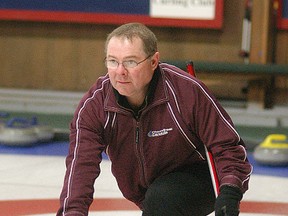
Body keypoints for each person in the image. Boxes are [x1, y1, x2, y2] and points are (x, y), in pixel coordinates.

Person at [57, 22, 252, 216]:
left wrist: (230, 191)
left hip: (200, 177)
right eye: (112, 61)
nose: (120, 71)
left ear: (153, 61)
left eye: (131, 62)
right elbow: (80, 167)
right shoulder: (94, 106)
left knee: (162, 199)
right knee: (158, 199)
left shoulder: (186, 91)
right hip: (146, 192)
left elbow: (227, 146)